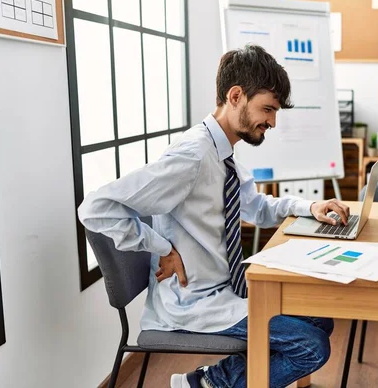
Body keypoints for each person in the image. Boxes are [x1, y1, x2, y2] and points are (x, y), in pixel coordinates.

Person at [78, 44, 351, 388]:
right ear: (236, 95)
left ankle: (212, 380)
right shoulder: (192, 157)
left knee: (320, 319)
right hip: (195, 300)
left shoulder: (223, 153)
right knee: (311, 347)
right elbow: (96, 207)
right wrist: (160, 246)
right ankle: (210, 384)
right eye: (267, 109)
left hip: (224, 285)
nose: (272, 121)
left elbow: (256, 207)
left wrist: (308, 207)